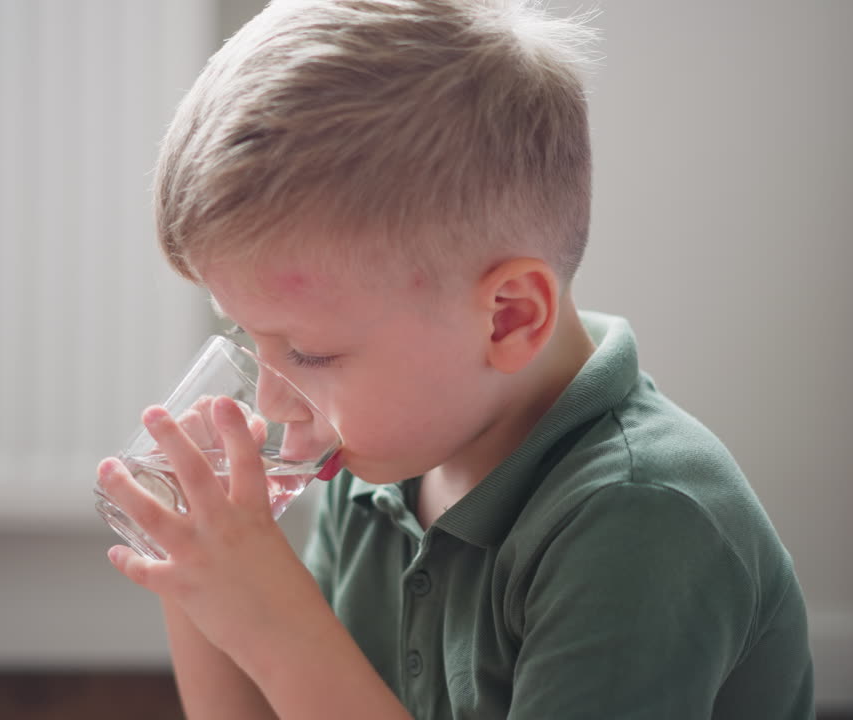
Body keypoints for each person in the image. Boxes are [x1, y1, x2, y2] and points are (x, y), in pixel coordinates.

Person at [96, 0, 815, 717]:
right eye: (252, 338)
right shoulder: (383, 464)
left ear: (508, 318)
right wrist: (196, 579)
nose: (272, 405)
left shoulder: (642, 524)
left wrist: (279, 630)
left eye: (309, 352)